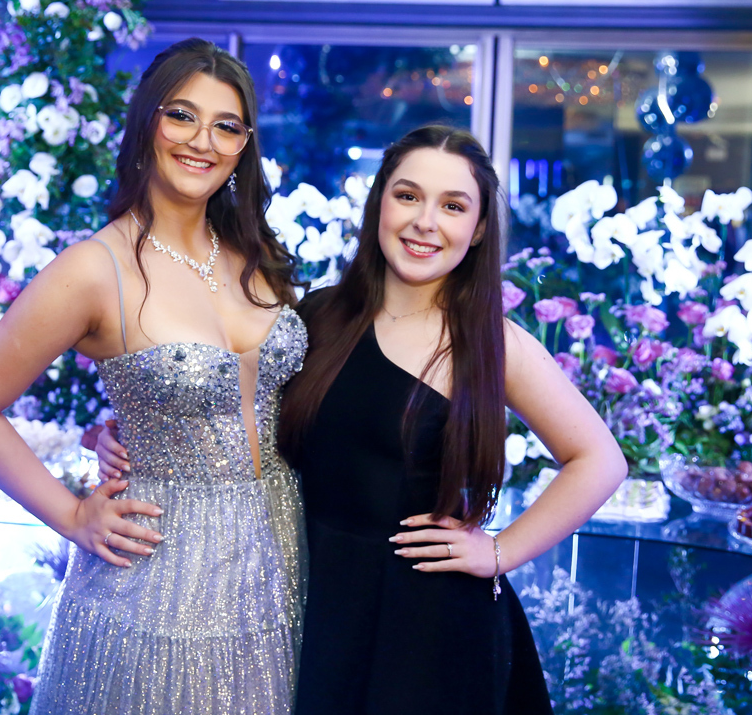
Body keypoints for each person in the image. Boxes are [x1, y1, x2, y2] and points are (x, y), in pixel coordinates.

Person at [96, 124, 628, 713]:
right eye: (408, 196)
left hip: (426, 629)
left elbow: (600, 460)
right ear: (380, 204)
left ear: (478, 229)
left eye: (453, 206)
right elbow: (236, 411)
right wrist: (124, 438)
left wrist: (501, 552)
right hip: (308, 596)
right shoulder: (319, 315)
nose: (425, 221)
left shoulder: (487, 341)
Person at [0, 38, 308, 715]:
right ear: (146, 123)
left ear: (244, 146)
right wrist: (72, 514)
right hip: (158, 576)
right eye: (182, 116)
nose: (203, 141)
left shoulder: (256, 256)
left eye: (226, 126)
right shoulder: (93, 268)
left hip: (281, 552)